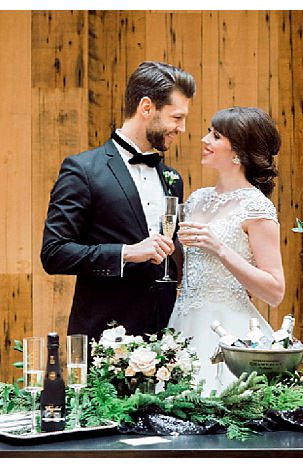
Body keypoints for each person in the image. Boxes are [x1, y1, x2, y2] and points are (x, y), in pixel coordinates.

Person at [41, 61, 196, 343]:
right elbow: (54, 253)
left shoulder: (172, 177)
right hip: (106, 338)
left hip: (167, 339)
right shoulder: (83, 170)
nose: (182, 128)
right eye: (176, 117)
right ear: (146, 107)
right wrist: (126, 253)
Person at [168, 106, 285, 394]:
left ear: (238, 153)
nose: (204, 140)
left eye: (216, 135)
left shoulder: (256, 207)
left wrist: (219, 247)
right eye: (209, 132)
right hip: (182, 322)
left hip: (227, 331)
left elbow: (275, 291)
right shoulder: (197, 200)